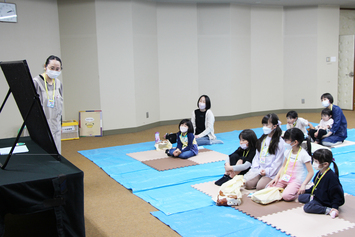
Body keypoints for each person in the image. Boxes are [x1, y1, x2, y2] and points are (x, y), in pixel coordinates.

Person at [268, 128, 314, 201]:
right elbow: (283, 166)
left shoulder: (303, 155)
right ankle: (287, 189)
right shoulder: (288, 151)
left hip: (296, 181)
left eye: (286, 140)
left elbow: (311, 172)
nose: (284, 142)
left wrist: (304, 184)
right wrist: (276, 177)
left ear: (295, 142)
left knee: (287, 196)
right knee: (269, 188)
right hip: (285, 178)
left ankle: (300, 193)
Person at [298, 149, 345, 218]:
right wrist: (306, 191)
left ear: (325, 164)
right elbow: (316, 186)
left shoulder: (331, 177)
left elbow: (336, 194)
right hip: (319, 195)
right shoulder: (320, 173)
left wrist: (335, 207)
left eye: (316, 161)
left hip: (325, 200)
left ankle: (328, 210)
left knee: (307, 207)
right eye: (314, 161)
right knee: (300, 197)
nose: (314, 163)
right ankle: (313, 199)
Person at [244, 113, 285, 190]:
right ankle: (260, 178)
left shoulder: (279, 142)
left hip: (271, 172)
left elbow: (278, 162)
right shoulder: (262, 139)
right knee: (248, 184)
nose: (264, 127)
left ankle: (275, 181)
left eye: (267, 125)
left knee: (260, 187)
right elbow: (257, 156)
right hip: (260, 169)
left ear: (275, 126)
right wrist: (257, 169)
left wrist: (267, 171)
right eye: (263, 125)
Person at [33, 55, 63, 153]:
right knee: (43, 154)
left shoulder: (58, 83)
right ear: (45, 66)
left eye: (57, 69)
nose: (54, 71)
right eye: (52, 68)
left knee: (56, 153)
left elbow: (60, 104)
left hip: (56, 125)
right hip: (42, 125)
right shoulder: (36, 82)